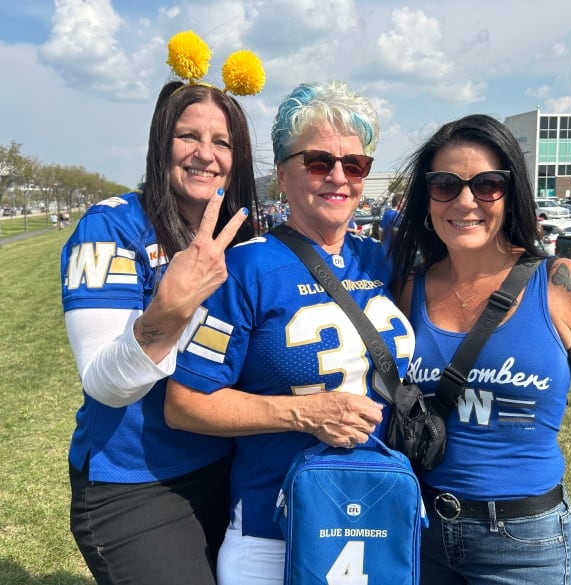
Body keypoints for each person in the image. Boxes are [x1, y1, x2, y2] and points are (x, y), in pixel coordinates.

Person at [164, 80, 415, 585]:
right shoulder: (245, 268)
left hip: (378, 516)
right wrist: (301, 413)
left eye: (355, 164)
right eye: (318, 162)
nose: (338, 177)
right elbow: (184, 402)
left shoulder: (383, 261)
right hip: (272, 530)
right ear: (282, 173)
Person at [60, 29, 263, 585]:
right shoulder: (109, 227)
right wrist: (166, 313)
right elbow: (104, 382)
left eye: (222, 141)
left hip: (229, 464)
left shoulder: (244, 233)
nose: (205, 154)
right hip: (134, 483)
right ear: (160, 142)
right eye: (187, 136)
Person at [389, 114, 571, 585]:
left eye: (487, 185)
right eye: (444, 185)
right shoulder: (406, 289)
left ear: (510, 191)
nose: (464, 201)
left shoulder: (564, 286)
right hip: (420, 530)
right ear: (426, 197)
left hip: (526, 543)